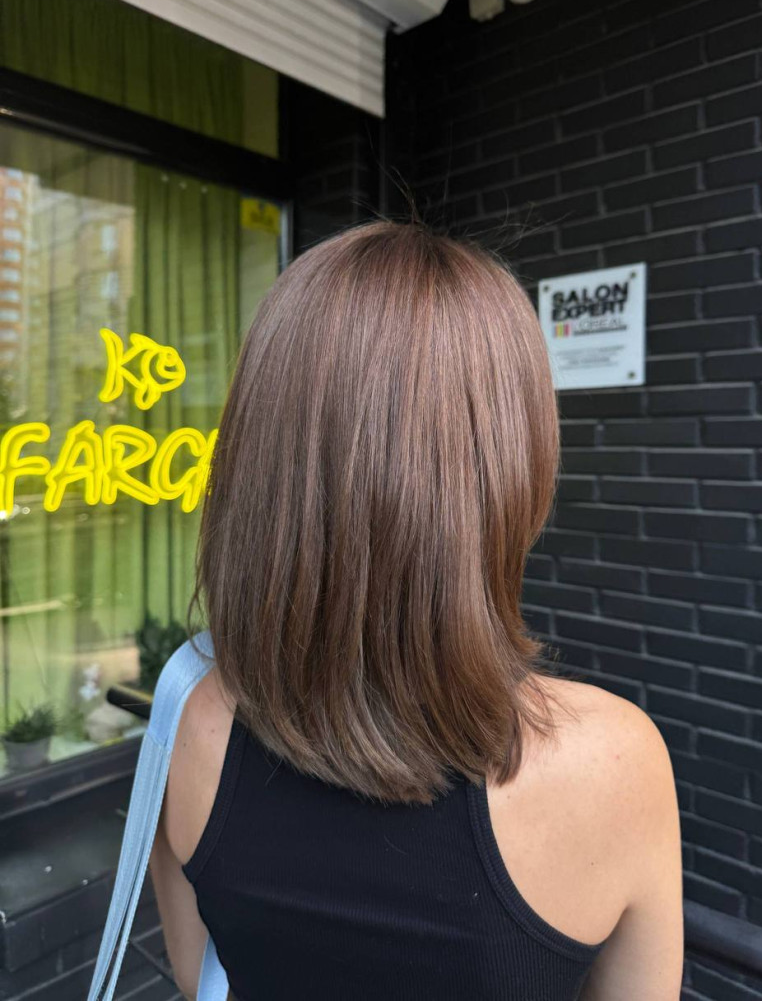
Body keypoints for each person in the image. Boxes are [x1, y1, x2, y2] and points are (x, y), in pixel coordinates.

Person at [149, 221, 684, 1001]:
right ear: (511, 465)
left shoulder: (189, 720)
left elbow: (197, 970)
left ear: (255, 462)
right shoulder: (613, 764)